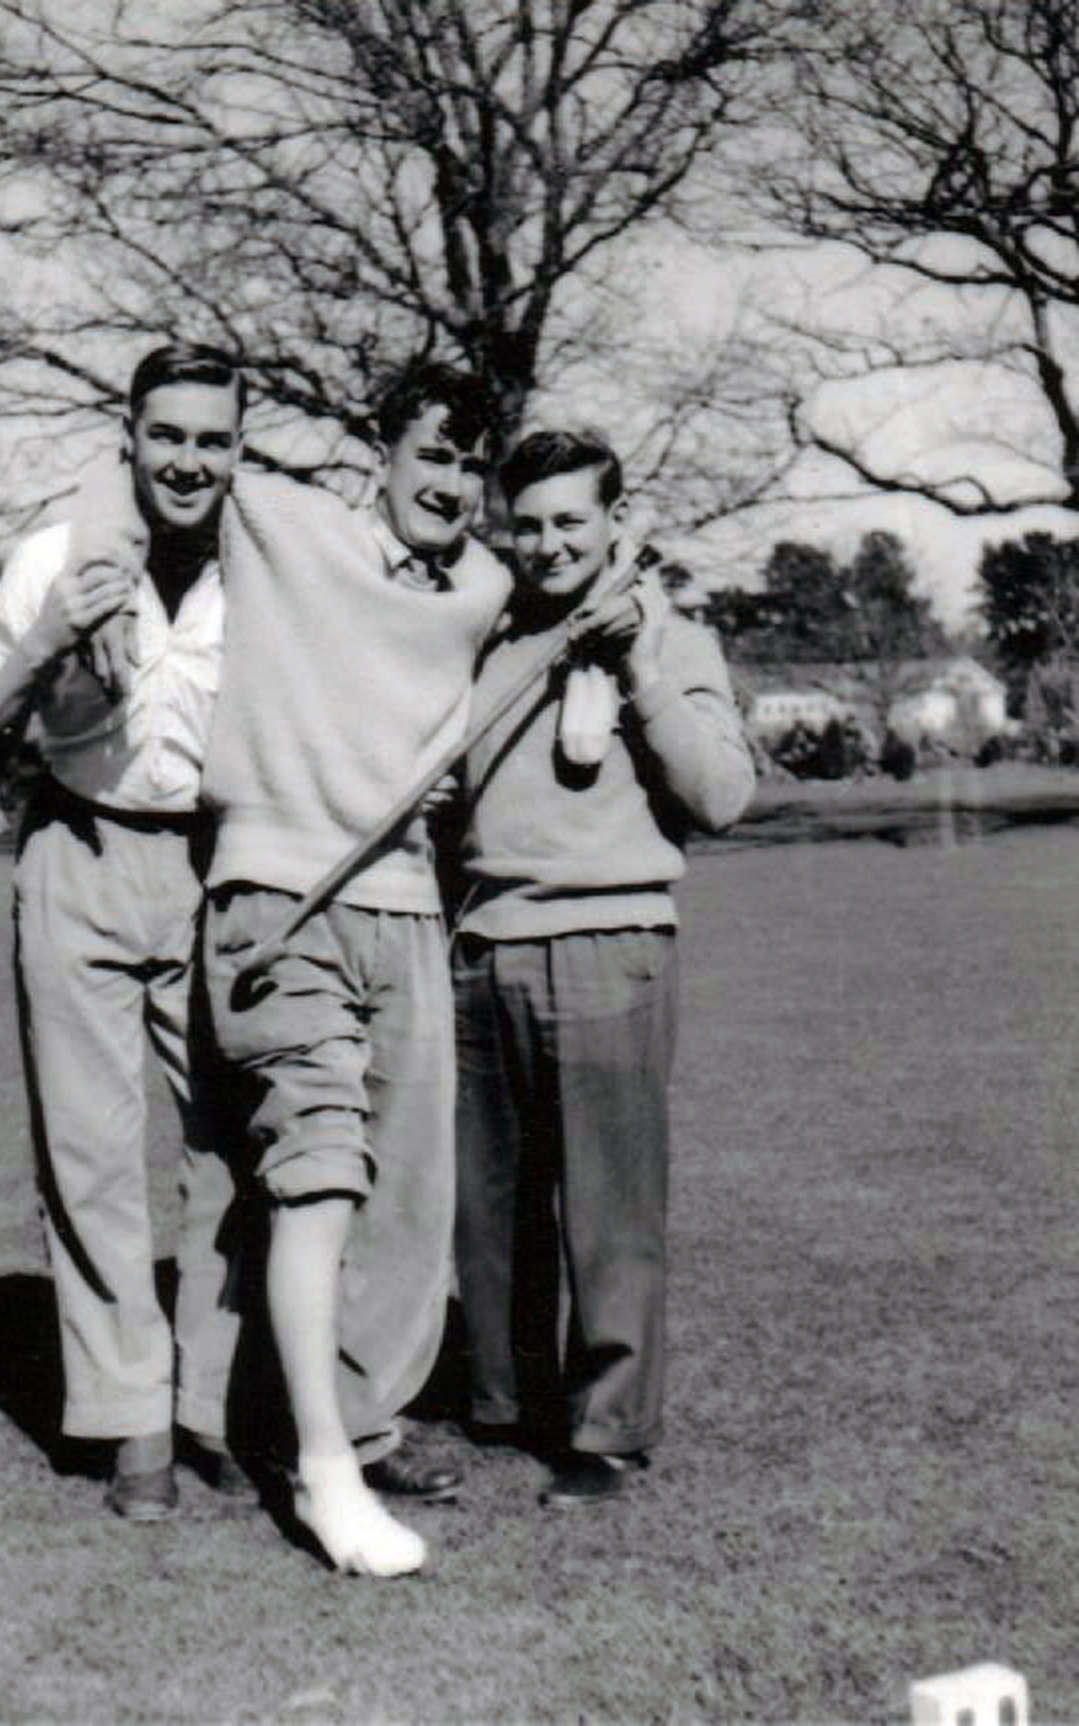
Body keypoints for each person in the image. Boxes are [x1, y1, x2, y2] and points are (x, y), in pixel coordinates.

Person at [196, 364, 514, 1576]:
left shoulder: (483, 586)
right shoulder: (289, 523)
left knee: (411, 1195)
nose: (450, 482)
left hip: (407, 904)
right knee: (319, 1173)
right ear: (377, 455)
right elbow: (168, 472)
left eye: (468, 463)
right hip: (279, 896)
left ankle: (355, 1424)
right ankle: (325, 1473)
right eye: (430, 453)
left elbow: (585, 570)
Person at [0, 343, 248, 1523]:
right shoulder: (52, 559)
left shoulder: (263, 570)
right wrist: (45, 643)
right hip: (75, 852)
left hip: (215, 863)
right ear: (127, 436)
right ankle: (133, 1422)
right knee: (89, 1153)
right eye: (165, 434)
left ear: (238, 449)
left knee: (230, 1146)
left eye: (211, 438)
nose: (187, 459)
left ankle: (216, 1395)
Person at [450, 428, 755, 1508]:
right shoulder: (482, 636)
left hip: (610, 944)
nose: (545, 544)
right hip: (481, 947)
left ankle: (608, 1429)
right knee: (485, 1207)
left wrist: (631, 664)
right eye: (524, 523)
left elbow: (721, 795)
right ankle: (500, 1400)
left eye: (569, 519)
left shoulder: (670, 637)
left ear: (616, 521)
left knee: (609, 1208)